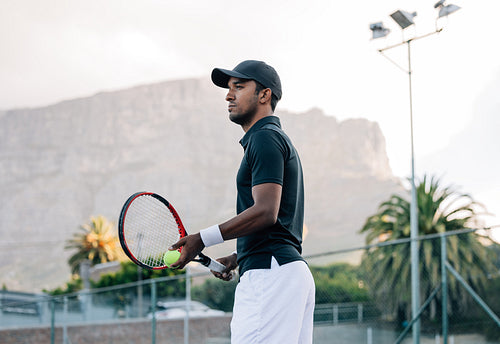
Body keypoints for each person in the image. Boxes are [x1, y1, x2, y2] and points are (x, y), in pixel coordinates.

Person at [170, 60, 315, 344]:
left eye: (239, 87)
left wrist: (201, 239)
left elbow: (266, 212)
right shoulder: (272, 139)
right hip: (284, 272)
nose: (228, 95)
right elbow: (278, 224)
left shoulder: (264, 138)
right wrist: (238, 257)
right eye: (228, 88)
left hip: (270, 276)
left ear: (264, 95)